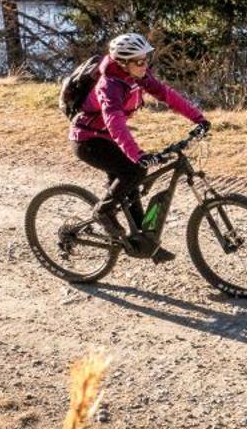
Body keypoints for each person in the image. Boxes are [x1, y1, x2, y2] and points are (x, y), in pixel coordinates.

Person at [70, 32, 208, 260]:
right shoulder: (109, 86)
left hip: (108, 139)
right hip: (88, 140)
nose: (146, 65)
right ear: (124, 63)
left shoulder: (137, 75)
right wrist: (137, 154)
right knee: (135, 170)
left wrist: (198, 118)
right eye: (140, 61)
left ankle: (145, 243)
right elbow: (115, 124)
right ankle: (103, 211)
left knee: (131, 186)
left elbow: (167, 95)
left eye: (146, 59)